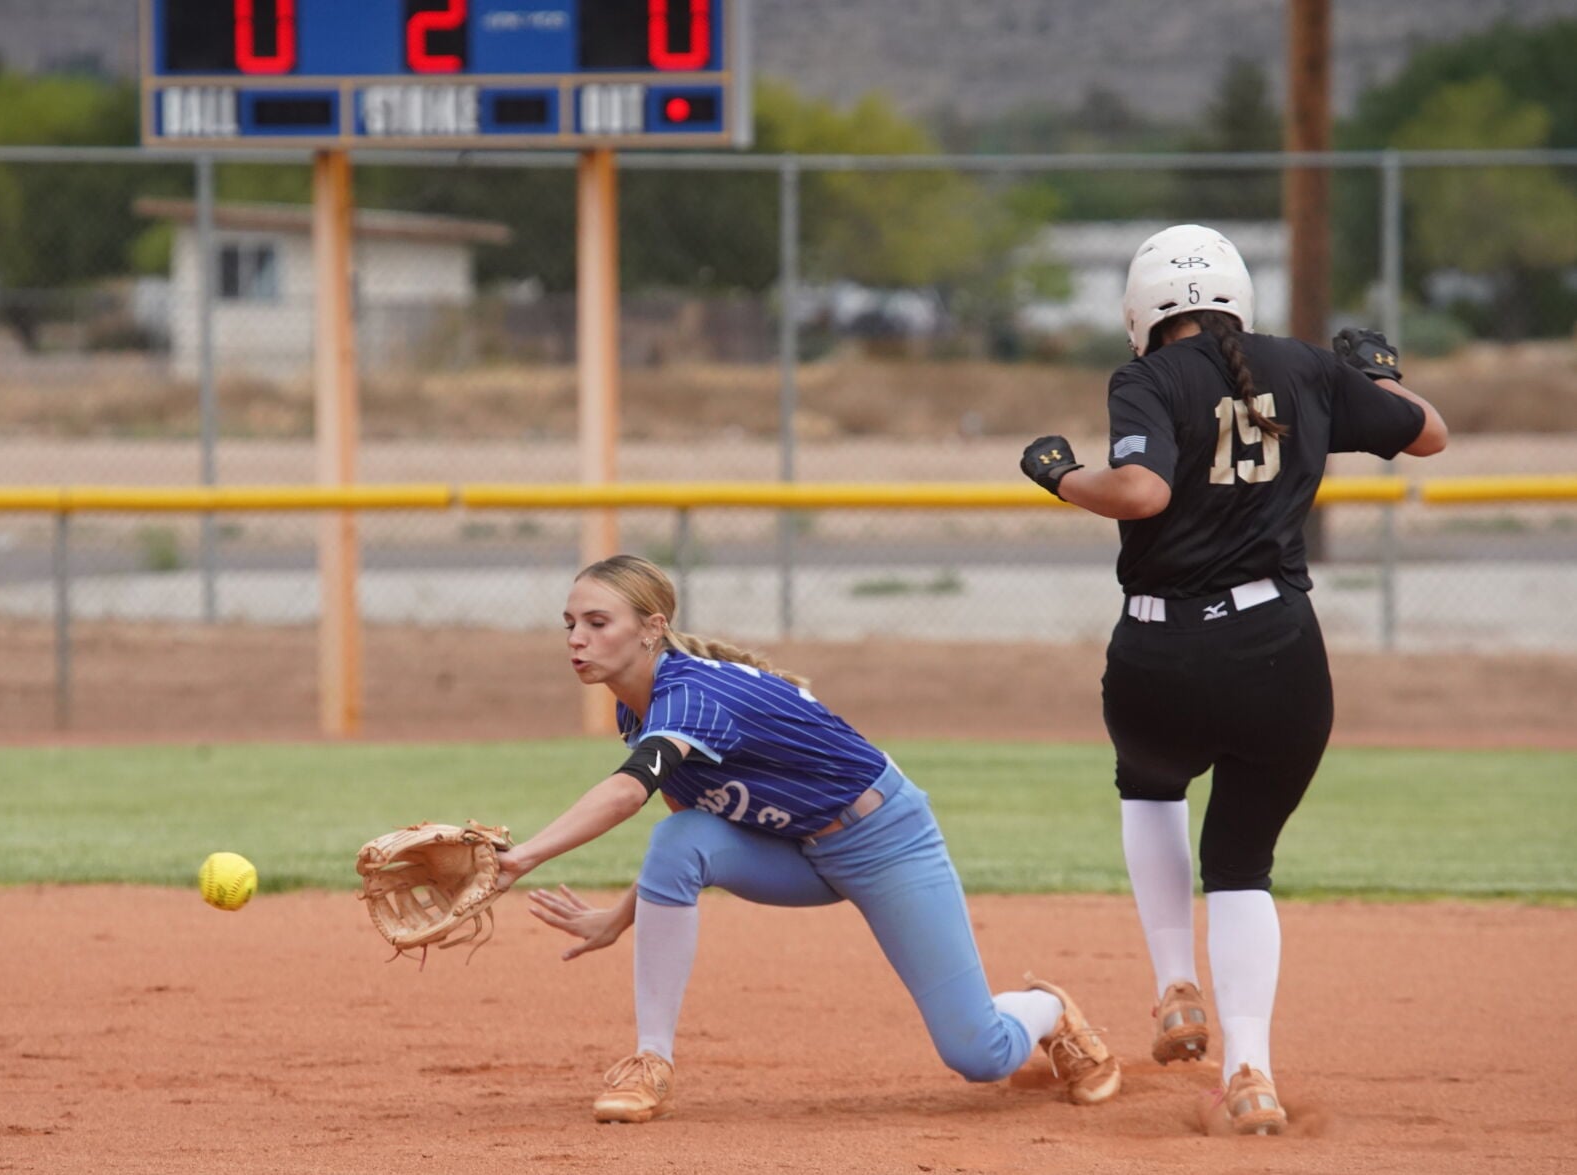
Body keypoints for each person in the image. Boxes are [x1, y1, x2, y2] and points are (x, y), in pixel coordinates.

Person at [1018, 224, 1448, 1135]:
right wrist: (1374, 381)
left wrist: (1059, 476)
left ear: (1140, 312)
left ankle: (1175, 983)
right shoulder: (1304, 365)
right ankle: (1251, 1074)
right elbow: (1429, 435)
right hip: (1277, 652)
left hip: (1158, 654)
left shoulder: (1145, 376)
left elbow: (1140, 491)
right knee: (1242, 867)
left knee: (1149, 783)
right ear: (1238, 299)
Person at [493, 553, 1121, 1123]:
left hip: (885, 843)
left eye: (597, 622)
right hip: (793, 851)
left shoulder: (691, 696)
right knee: (679, 837)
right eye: (569, 623)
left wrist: (522, 857)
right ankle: (650, 1062)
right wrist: (620, 916)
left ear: (652, 628)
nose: (576, 638)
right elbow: (689, 822)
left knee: (980, 1055)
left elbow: (627, 793)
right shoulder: (636, 709)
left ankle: (1047, 1009)